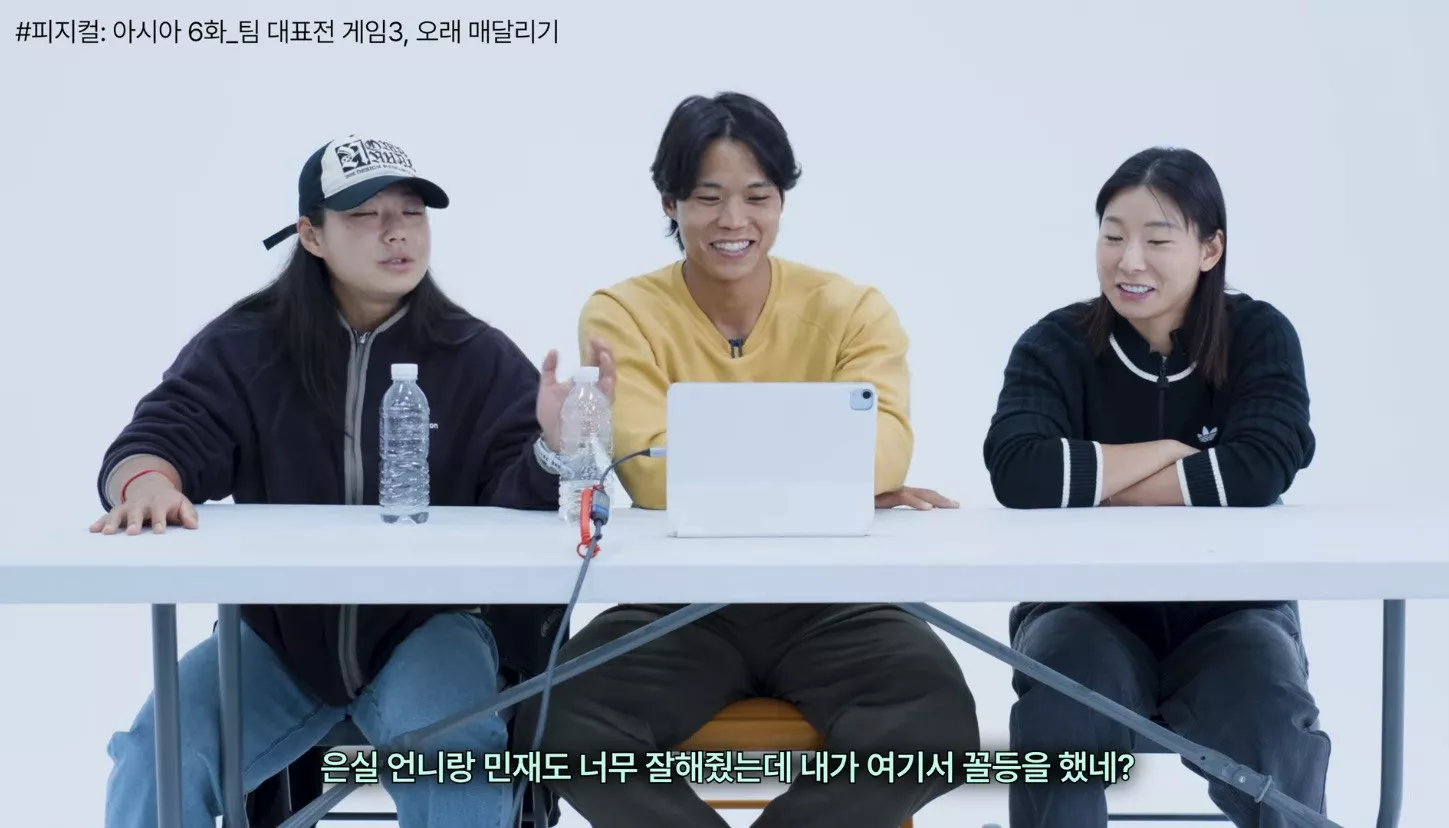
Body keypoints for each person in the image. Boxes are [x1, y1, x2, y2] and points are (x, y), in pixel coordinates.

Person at [93, 134, 613, 828]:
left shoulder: (475, 353)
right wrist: (147, 482)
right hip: (280, 635)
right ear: (311, 235)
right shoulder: (247, 343)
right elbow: (163, 434)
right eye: (366, 215)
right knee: (155, 756)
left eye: (412, 213)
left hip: (427, 631)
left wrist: (556, 445)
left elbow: (519, 497)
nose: (396, 232)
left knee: (455, 763)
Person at [514, 92, 980, 828]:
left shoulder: (852, 308)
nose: (734, 221)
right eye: (708, 198)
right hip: (678, 605)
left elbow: (885, 455)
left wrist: (843, 477)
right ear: (669, 203)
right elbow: (651, 475)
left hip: (834, 602)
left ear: (782, 200)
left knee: (936, 727)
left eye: (757, 197)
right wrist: (833, 480)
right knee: (558, 722)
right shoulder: (622, 312)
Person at [982, 146, 1330, 827]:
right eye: (1112, 237)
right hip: (1082, 608)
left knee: (1271, 720)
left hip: (1233, 611)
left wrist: (1098, 484)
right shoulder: (1054, 345)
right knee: (1059, 706)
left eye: (1157, 240)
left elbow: (1261, 465)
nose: (1129, 261)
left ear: (1210, 248)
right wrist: (1169, 452)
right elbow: (1019, 472)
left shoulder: (1258, 335)